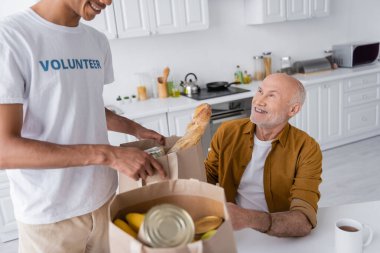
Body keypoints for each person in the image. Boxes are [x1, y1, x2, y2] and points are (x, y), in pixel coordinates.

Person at [0, 0, 166, 252]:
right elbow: (4, 150)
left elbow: (81, 104)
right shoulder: (10, 37)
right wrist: (109, 155)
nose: (109, 2)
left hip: (105, 201)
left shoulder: (96, 41)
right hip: (50, 215)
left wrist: (134, 129)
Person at [205, 73, 322, 237]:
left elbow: (303, 221)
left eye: (272, 95)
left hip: (278, 232)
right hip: (233, 230)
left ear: (293, 109)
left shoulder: (307, 149)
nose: (258, 101)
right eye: (260, 91)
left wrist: (248, 218)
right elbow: (208, 175)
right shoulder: (227, 132)